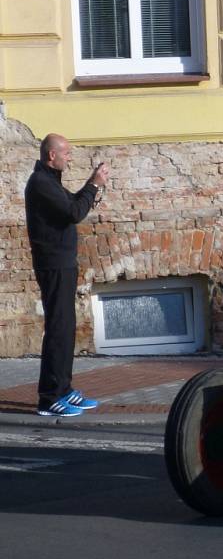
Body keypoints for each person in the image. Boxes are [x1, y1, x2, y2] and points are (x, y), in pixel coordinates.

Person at [25, 133, 110, 416]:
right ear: (52, 155)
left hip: (63, 263)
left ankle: (64, 389)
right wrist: (94, 185)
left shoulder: (51, 183)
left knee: (65, 329)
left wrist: (91, 185)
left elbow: (71, 204)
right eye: (67, 154)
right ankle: (49, 398)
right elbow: (74, 212)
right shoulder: (40, 183)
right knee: (58, 330)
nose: (69, 159)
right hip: (53, 264)